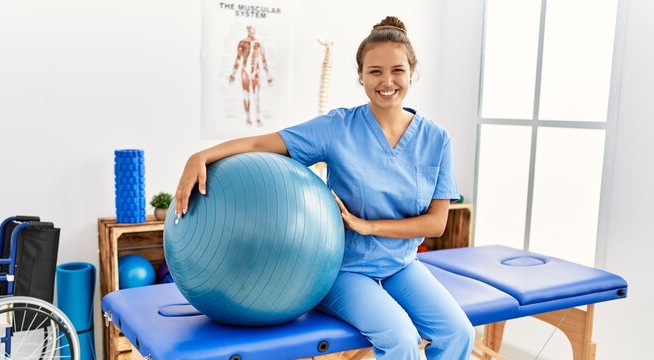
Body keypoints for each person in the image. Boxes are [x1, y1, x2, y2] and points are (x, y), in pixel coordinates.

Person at [175, 16, 474, 360]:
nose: (387, 81)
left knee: (458, 333)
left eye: (397, 71)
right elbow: (263, 144)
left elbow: (436, 224)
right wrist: (201, 155)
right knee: (401, 339)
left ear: (412, 73)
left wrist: (368, 226)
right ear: (360, 74)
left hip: (401, 266)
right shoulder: (337, 128)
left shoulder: (436, 138)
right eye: (375, 71)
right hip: (342, 270)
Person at [229, 25, 273, 127]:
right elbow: (238, 59)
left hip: (255, 72)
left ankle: (257, 118)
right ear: (247, 31)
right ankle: (248, 118)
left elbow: (263, 61)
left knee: (256, 96)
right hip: (245, 71)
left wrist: (268, 76)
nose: (251, 32)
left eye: (252, 30)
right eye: (249, 30)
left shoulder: (259, 44)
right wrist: (233, 74)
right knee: (246, 95)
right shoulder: (243, 43)